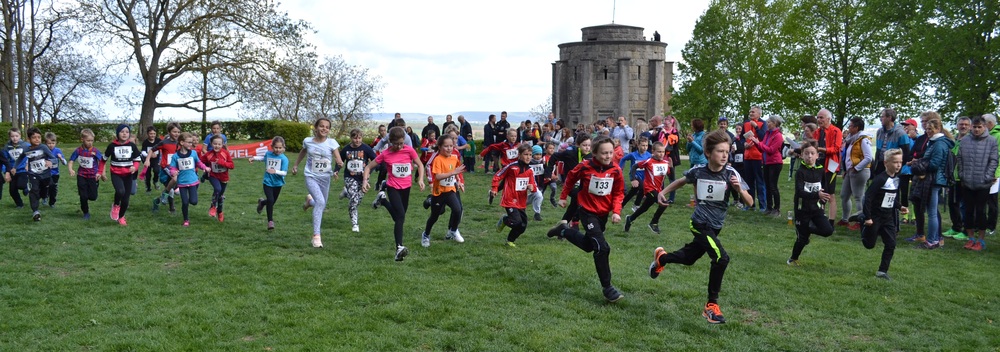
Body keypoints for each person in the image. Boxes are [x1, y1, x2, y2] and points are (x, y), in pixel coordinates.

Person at [648, 129, 752, 324]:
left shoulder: (731, 173)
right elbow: (681, 180)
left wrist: (738, 189)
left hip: (715, 226)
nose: (724, 155)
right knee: (721, 258)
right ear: (708, 153)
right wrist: (663, 192)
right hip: (699, 223)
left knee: (689, 258)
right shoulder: (699, 171)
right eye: (720, 151)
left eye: (726, 151)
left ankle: (662, 258)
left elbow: (750, 202)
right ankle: (711, 306)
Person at [546, 136, 626, 302]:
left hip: (603, 214)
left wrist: (616, 211)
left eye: (610, 152)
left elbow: (619, 193)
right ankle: (608, 288)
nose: (608, 156)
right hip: (587, 211)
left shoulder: (616, 171)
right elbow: (570, 179)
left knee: (589, 246)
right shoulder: (585, 166)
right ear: (595, 153)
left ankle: (563, 230)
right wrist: (563, 197)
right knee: (602, 248)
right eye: (604, 153)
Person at [363, 126, 425, 261]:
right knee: (401, 217)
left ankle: (383, 200)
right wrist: (365, 181)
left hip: (406, 188)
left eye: (401, 143)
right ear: (390, 142)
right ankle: (399, 248)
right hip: (393, 187)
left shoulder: (409, 150)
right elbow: (368, 167)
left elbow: (420, 165)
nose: (399, 146)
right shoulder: (386, 154)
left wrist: (420, 179)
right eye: (396, 144)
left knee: (399, 218)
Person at [292, 117, 344, 248]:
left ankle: (310, 202)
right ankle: (316, 236)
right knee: (321, 202)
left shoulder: (332, 143)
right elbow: (303, 152)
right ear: (316, 128)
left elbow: (338, 158)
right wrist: (296, 165)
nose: (324, 129)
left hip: (325, 178)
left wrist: (338, 164)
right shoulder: (308, 141)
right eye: (321, 126)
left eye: (327, 127)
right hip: (311, 176)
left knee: (321, 203)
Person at [907, 115, 953, 249]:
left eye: (931, 129)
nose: (928, 131)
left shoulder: (939, 144)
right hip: (932, 179)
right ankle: (933, 238)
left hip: (934, 180)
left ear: (938, 129)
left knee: (932, 212)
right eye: (927, 129)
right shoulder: (933, 142)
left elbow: (934, 164)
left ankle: (933, 240)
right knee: (930, 210)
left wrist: (919, 163)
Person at [861, 148, 907, 280]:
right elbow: (868, 197)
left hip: (888, 217)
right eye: (895, 162)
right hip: (875, 217)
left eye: (900, 162)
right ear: (886, 163)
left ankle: (882, 271)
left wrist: (900, 206)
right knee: (869, 245)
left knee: (891, 244)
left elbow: (891, 197)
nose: (898, 165)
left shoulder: (897, 179)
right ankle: (862, 221)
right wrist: (868, 217)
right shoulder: (880, 179)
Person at [787, 142, 834, 266]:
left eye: (812, 153)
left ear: (817, 156)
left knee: (828, 230)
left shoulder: (820, 170)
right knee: (802, 239)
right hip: (802, 209)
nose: (809, 156)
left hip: (816, 209)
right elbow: (800, 192)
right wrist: (816, 195)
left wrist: (823, 199)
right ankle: (793, 259)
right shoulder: (800, 172)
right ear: (801, 155)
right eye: (806, 154)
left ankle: (807, 229)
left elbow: (824, 187)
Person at [956, 116, 998, 251]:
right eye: (974, 127)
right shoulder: (965, 140)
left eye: (979, 127)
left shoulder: (991, 141)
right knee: (968, 211)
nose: (976, 129)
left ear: (984, 127)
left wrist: (987, 176)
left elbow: (993, 160)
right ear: (971, 127)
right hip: (967, 181)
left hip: (983, 183)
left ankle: (981, 240)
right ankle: (970, 238)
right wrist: (962, 175)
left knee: (980, 211)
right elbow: (960, 159)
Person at [422, 135, 466, 247]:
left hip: (450, 190)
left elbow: (456, 172)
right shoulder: (438, 159)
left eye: (451, 146)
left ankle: (453, 230)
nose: (449, 148)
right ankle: (426, 235)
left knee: (457, 210)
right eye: (446, 146)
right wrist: (453, 173)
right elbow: (438, 177)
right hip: (439, 192)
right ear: (440, 147)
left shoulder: (454, 158)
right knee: (435, 216)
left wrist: (459, 181)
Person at [491, 144, 537, 247]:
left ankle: (509, 241)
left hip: (521, 201)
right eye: (526, 154)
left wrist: (532, 187)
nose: (528, 157)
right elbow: (498, 175)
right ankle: (504, 220)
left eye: (530, 154)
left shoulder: (530, 170)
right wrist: (494, 188)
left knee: (523, 226)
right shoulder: (511, 166)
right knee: (516, 222)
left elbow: (534, 185)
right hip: (509, 198)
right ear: (519, 155)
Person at [623, 141, 671, 233]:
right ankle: (654, 223)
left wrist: (671, 168)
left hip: (658, 190)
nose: (661, 154)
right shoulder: (649, 161)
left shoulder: (665, 163)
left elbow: (670, 176)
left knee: (643, 208)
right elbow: (634, 167)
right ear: (653, 151)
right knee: (664, 203)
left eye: (663, 152)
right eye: (659, 152)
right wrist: (633, 179)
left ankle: (630, 218)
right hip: (649, 189)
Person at [336, 128, 377, 233]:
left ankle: (346, 193)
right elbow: (339, 161)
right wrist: (336, 170)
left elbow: (376, 161)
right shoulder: (346, 149)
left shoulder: (366, 148)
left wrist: (368, 173)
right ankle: (355, 224)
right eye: (355, 138)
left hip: (363, 178)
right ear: (351, 138)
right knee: (354, 200)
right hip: (350, 177)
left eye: (359, 138)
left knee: (358, 199)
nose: (357, 140)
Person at [547, 133, 593, 224]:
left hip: (583, 184)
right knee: (579, 197)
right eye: (584, 145)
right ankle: (575, 221)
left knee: (574, 205)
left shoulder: (590, 156)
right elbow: (554, 156)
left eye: (589, 145)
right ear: (578, 145)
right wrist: (548, 173)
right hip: (570, 183)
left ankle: (563, 225)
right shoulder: (570, 153)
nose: (587, 148)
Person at [14, 127, 57, 221]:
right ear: (29, 139)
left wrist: (50, 162)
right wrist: (14, 167)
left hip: (45, 174)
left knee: (50, 187)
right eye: (34, 137)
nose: (37, 139)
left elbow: (53, 158)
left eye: (39, 137)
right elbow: (20, 158)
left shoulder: (43, 147)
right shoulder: (26, 149)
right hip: (33, 174)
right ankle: (35, 211)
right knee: (34, 190)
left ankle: (49, 199)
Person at [168, 132, 211, 227]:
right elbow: (172, 167)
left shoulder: (193, 153)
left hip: (193, 181)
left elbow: (199, 163)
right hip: (182, 183)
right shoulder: (176, 156)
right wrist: (173, 172)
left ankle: (191, 199)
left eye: (191, 142)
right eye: (189, 142)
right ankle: (186, 220)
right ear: (182, 142)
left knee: (194, 202)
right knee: (185, 202)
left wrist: (205, 168)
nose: (191, 144)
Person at [103, 124, 141, 226]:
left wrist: (135, 167)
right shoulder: (112, 146)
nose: (124, 134)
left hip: (128, 175)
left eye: (127, 132)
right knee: (120, 191)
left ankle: (121, 216)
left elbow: (137, 159)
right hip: (116, 173)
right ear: (117, 133)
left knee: (126, 200)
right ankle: (116, 204)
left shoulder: (132, 146)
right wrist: (100, 172)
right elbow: (103, 160)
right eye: (122, 132)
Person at [838, 117, 872, 229]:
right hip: (850, 171)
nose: (848, 128)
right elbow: (848, 157)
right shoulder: (851, 139)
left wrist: (857, 168)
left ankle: (861, 220)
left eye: (850, 126)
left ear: (856, 128)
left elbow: (868, 157)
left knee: (858, 196)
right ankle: (845, 219)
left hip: (860, 171)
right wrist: (846, 170)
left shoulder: (863, 139)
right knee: (844, 195)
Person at [749, 115, 785, 215]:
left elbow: (771, 150)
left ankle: (776, 209)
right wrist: (756, 143)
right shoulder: (767, 134)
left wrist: (758, 143)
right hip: (766, 162)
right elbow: (762, 149)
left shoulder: (778, 135)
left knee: (773, 186)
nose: (767, 124)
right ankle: (769, 208)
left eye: (769, 122)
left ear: (774, 123)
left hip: (775, 163)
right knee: (767, 186)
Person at [251, 136, 289, 230]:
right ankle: (270, 221)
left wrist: (275, 171)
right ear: (272, 147)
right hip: (267, 182)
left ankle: (262, 203)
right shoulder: (268, 154)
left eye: (280, 148)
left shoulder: (284, 159)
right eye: (276, 147)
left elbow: (284, 172)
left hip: (278, 183)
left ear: (284, 147)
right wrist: (254, 158)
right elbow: (263, 159)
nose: (278, 150)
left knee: (271, 202)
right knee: (271, 200)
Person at [943, 117, 971, 241]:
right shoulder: (954, 139)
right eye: (961, 124)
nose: (963, 126)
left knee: (965, 205)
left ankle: (967, 230)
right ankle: (956, 227)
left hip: (965, 177)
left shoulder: (971, 140)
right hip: (953, 177)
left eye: (966, 124)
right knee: (952, 203)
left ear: (969, 126)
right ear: (957, 125)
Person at [67, 129, 104, 220]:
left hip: (93, 176)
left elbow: (102, 161)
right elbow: (71, 161)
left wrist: (101, 173)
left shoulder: (95, 151)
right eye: (88, 141)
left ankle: (95, 185)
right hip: (81, 175)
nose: (90, 143)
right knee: (83, 196)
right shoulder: (78, 151)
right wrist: (70, 169)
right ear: (82, 140)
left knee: (93, 197)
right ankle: (86, 212)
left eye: (92, 141)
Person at [145, 122, 181, 213]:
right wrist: (147, 160)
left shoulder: (180, 143)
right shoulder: (164, 143)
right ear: (169, 132)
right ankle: (172, 209)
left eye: (178, 132)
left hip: (175, 169)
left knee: (176, 191)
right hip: (165, 170)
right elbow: (152, 150)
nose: (176, 134)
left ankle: (157, 200)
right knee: (172, 191)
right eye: (174, 132)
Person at [814, 108, 843, 223]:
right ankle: (820, 217)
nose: (819, 120)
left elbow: (836, 148)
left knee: (830, 194)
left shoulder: (836, 131)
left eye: (821, 117)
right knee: (819, 191)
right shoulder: (817, 132)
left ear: (828, 119)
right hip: (818, 164)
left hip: (831, 165)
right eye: (818, 117)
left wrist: (821, 149)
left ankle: (831, 221)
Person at [201, 135, 234, 222]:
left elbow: (232, 165)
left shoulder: (225, 153)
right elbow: (200, 162)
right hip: (213, 175)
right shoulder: (208, 154)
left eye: (219, 144)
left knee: (220, 196)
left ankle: (220, 212)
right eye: (215, 144)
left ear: (222, 144)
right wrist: (205, 168)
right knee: (217, 189)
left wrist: (222, 162)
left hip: (224, 177)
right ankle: (212, 207)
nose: (217, 146)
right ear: (211, 144)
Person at [742, 106, 768, 211]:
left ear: (759, 114)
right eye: (750, 111)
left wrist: (756, 127)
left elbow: (763, 137)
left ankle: (763, 206)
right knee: (748, 182)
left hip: (758, 156)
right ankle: (750, 204)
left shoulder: (763, 123)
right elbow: (741, 138)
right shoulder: (746, 123)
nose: (751, 113)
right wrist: (744, 144)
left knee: (760, 182)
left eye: (753, 112)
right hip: (747, 156)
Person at [619, 136, 651, 211]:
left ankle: (621, 204)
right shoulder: (633, 155)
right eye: (643, 145)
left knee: (633, 192)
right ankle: (636, 205)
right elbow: (623, 159)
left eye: (646, 145)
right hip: (634, 175)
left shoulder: (649, 155)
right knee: (642, 188)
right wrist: (620, 168)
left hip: (643, 176)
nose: (645, 147)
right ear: (638, 145)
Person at [5, 127, 30, 208]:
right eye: (12, 136)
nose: (14, 138)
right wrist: (7, 172)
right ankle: (19, 204)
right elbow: (5, 160)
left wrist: (28, 164)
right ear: (9, 137)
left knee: (20, 185)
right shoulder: (7, 147)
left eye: (16, 136)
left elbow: (32, 154)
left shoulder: (26, 145)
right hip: (12, 171)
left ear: (20, 136)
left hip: (23, 170)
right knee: (12, 190)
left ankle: (26, 187)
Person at [41, 132, 66, 207]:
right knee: (46, 186)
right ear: (45, 143)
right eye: (49, 143)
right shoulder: (43, 151)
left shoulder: (58, 151)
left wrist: (61, 158)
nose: (51, 145)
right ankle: (44, 197)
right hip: (45, 173)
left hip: (55, 173)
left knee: (53, 188)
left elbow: (65, 163)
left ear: (55, 143)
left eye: (53, 143)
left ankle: (52, 202)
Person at [526, 145, 547, 221]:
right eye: (536, 154)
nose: (538, 156)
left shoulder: (543, 162)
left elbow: (546, 171)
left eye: (540, 154)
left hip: (540, 185)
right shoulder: (528, 163)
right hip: (529, 185)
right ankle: (519, 208)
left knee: (539, 197)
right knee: (528, 199)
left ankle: (537, 213)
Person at [141, 126, 162, 193]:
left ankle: (155, 181)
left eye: (154, 133)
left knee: (157, 170)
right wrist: (148, 155)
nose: (152, 135)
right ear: (147, 134)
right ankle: (148, 188)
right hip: (148, 160)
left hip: (156, 160)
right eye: (151, 134)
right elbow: (143, 152)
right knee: (148, 174)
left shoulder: (158, 141)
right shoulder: (145, 142)